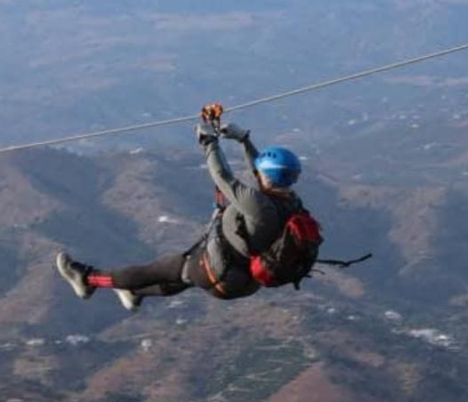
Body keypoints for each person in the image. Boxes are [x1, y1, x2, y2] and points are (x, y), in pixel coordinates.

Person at [55, 113, 308, 312]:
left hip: (219, 273)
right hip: (244, 280)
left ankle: (87, 280)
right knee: (183, 274)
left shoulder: (258, 205)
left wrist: (208, 142)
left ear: (265, 174)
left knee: (154, 271)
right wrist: (244, 140)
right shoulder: (290, 203)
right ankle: (135, 293)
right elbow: (261, 173)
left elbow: (222, 176)